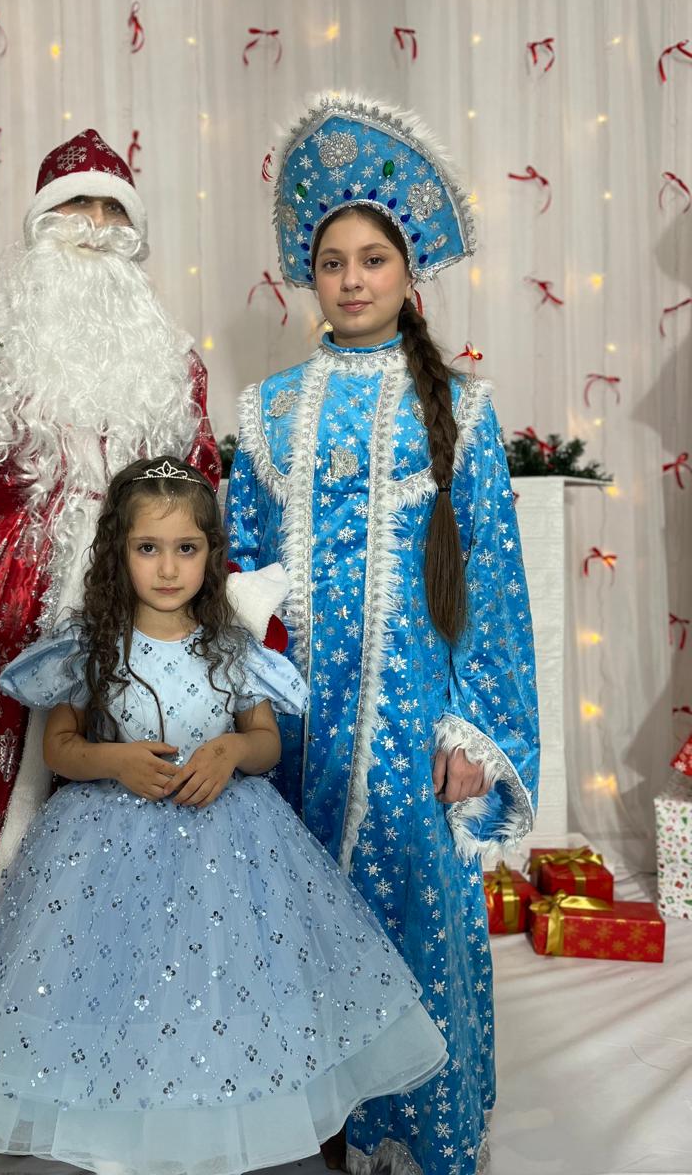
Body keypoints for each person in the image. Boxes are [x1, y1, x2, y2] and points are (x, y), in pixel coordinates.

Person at [0, 455, 448, 1175]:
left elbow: (266, 743)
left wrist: (232, 749)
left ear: (211, 554)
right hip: (105, 849)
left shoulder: (230, 648)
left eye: (187, 548)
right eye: (148, 548)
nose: (168, 568)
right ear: (118, 553)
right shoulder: (90, 647)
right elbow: (59, 748)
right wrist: (115, 760)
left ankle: (213, 1129)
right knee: (118, 980)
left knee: (215, 981)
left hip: (227, 849)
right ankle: (121, 1131)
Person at [226, 94, 540, 1175]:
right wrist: (241, 706)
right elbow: (239, 576)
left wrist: (478, 732)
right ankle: (320, 1122)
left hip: (417, 725)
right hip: (294, 730)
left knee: (414, 915)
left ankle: (414, 1127)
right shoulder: (269, 410)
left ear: (410, 273)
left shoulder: (465, 409)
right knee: (299, 916)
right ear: (308, 277)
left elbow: (493, 588)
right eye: (332, 262)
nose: (352, 279)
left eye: (373, 259)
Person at [0, 129, 221, 903]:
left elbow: (202, 488)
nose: (95, 226)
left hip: (146, 595)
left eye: (112, 211)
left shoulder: (174, 359)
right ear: (41, 225)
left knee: (137, 772)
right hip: (11, 597)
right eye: (76, 206)